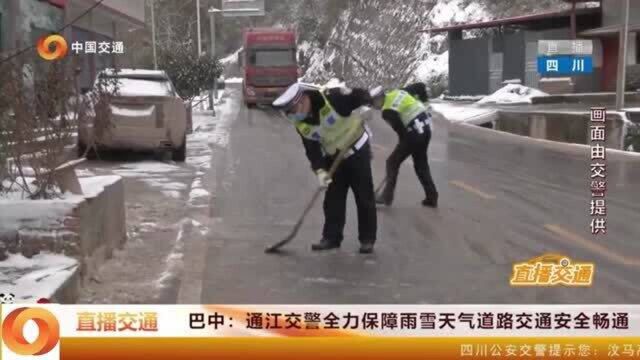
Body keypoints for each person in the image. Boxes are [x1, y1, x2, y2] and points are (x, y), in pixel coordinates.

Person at [272, 83, 377, 254]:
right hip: (334, 156)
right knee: (333, 200)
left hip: (357, 150)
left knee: (364, 196)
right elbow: (312, 150)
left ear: (303, 101)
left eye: (292, 111)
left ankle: (367, 239)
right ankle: (331, 238)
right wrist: (320, 171)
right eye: (288, 114)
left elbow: (360, 94)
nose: (293, 117)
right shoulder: (301, 125)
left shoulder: (332, 98)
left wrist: (366, 105)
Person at [370, 84, 438, 208]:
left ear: (378, 99)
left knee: (392, 162)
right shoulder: (398, 92)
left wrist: (402, 145)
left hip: (414, 132)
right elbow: (420, 86)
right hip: (426, 128)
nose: (375, 107)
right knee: (421, 164)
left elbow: (402, 132)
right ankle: (432, 197)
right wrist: (425, 103)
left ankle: (386, 196)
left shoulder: (387, 111)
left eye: (373, 103)